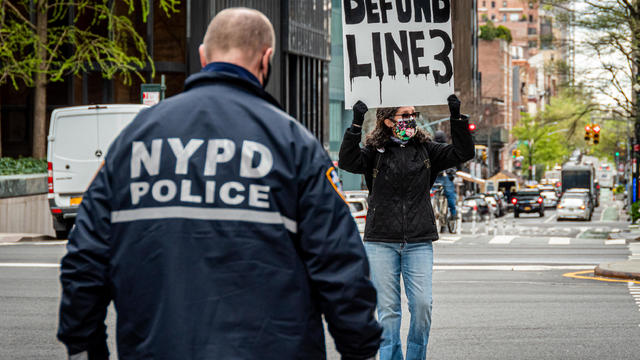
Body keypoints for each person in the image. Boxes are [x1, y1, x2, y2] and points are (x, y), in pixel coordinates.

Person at [57, 8, 381, 360]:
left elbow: (83, 261)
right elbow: (342, 268)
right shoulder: (294, 145)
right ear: (267, 58)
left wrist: (84, 349)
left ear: (202, 56)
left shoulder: (133, 142)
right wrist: (359, 350)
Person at [338, 96, 474, 360]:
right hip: (380, 242)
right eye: (404, 115)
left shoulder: (427, 151)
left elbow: (462, 153)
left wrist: (456, 118)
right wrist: (355, 125)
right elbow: (347, 161)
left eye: (413, 114)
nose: (411, 119)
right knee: (388, 312)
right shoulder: (373, 153)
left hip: (418, 241)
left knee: (422, 306)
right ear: (389, 121)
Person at [433, 130, 458, 219]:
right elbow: (453, 161)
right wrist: (452, 172)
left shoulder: (431, 147)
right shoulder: (447, 148)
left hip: (436, 175)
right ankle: (453, 213)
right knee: (450, 194)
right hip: (444, 175)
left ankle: (453, 213)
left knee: (431, 194)